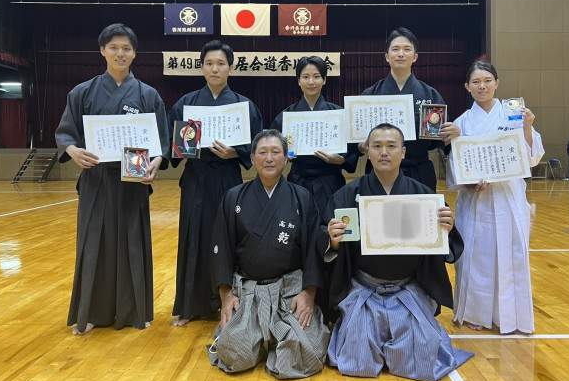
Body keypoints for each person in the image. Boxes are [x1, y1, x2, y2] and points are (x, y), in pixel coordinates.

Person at [321, 123, 472, 381]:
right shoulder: (347, 195)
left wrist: (446, 228)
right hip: (363, 288)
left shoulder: (423, 195)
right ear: (367, 151)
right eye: (377, 146)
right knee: (356, 362)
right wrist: (332, 241)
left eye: (391, 146)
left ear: (403, 152)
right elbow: (329, 242)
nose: (384, 152)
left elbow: (446, 249)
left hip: (408, 288)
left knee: (422, 358)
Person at [55, 23, 170, 335]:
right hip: (96, 181)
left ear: (134, 54)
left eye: (127, 48)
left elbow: (161, 142)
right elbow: (66, 134)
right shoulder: (82, 92)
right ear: (102, 50)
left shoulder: (149, 95)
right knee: (95, 245)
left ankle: (135, 311)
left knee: (133, 244)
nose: (121, 53)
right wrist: (73, 149)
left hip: (133, 182)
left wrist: (157, 162)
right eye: (114, 47)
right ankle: (91, 311)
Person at [209, 129, 329, 379]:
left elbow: (312, 253)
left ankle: (273, 338)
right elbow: (221, 249)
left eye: (276, 152)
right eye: (262, 152)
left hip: (290, 291)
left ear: (287, 158)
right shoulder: (234, 197)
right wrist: (226, 294)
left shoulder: (301, 197)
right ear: (252, 159)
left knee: (309, 351)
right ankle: (262, 338)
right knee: (234, 354)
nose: (269, 158)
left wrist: (309, 292)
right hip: (247, 293)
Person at [167, 40, 263, 326]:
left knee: (228, 239)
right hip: (196, 179)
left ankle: (231, 303)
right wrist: (184, 148)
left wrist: (236, 152)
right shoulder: (186, 104)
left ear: (231, 68)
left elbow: (257, 145)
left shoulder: (243, 105)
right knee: (193, 237)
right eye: (209, 63)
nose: (215, 68)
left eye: (221, 63)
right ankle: (189, 305)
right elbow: (175, 147)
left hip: (228, 179)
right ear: (201, 66)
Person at [446, 61, 544, 334]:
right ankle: (475, 314)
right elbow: (456, 165)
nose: (482, 86)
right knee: (475, 257)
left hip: (508, 196)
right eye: (476, 82)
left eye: (487, 80)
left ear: (497, 83)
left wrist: (527, 127)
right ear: (467, 87)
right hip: (476, 199)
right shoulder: (462, 122)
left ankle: (510, 316)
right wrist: (468, 185)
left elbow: (533, 157)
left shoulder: (514, 114)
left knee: (512, 255)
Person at [358, 27, 460, 192]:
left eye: (407, 49)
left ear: (415, 57)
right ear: (386, 56)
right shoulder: (370, 95)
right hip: (379, 171)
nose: (401, 54)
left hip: (418, 171)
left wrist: (451, 134)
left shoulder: (431, 95)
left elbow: (443, 141)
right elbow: (355, 140)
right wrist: (361, 147)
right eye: (395, 49)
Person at [269, 55, 357, 214]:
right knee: (297, 229)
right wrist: (283, 155)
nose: (311, 82)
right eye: (305, 77)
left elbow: (353, 150)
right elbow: (272, 146)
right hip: (297, 181)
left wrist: (341, 160)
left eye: (316, 76)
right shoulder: (287, 116)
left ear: (324, 80)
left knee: (331, 228)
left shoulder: (337, 114)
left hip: (330, 180)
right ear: (298, 81)